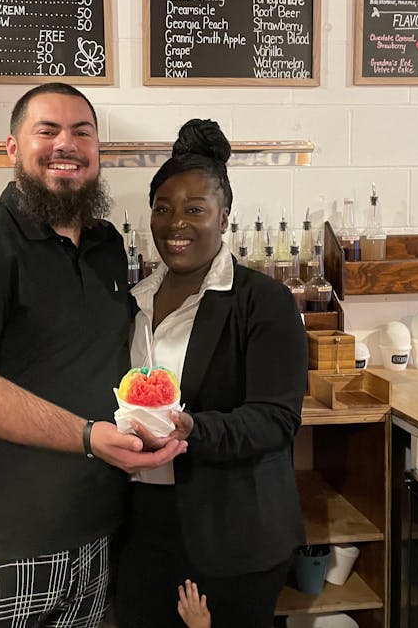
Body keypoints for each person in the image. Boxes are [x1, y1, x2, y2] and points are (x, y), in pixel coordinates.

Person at [0, 83, 186, 628]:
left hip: (91, 540)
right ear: (13, 148)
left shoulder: (106, 247)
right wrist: (86, 436)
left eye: (82, 132)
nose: (67, 144)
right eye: (47, 130)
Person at [113, 119, 308, 628]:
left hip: (232, 532)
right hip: (141, 523)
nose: (176, 222)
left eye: (195, 209)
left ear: (224, 217)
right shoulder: (129, 302)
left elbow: (276, 418)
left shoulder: (262, 302)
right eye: (163, 208)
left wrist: (196, 429)